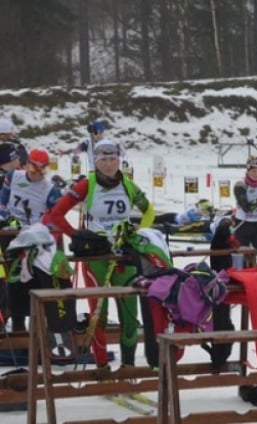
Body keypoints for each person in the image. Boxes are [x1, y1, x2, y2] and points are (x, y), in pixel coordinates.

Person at [45, 138, 166, 368]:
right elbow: (56, 214)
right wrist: (78, 236)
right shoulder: (86, 184)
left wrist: (138, 232)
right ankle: (102, 369)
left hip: (124, 257)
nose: (109, 164)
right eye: (104, 160)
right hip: (96, 258)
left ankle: (128, 368)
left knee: (129, 318)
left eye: (113, 159)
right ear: (96, 162)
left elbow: (148, 211)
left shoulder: (128, 185)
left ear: (119, 160)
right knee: (97, 316)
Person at [0, 148, 63, 332]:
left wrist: (47, 230)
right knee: (13, 281)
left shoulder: (49, 189)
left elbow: (56, 215)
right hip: (11, 236)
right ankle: (17, 327)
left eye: (42, 172)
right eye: (34, 171)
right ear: (27, 165)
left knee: (35, 281)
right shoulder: (13, 177)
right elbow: (3, 198)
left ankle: (37, 330)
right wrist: (2, 213)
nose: (37, 176)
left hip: (35, 240)